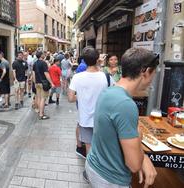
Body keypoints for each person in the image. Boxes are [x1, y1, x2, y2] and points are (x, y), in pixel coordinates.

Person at [86, 48, 158, 187]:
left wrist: (141, 154)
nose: (152, 81)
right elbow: (134, 165)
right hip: (111, 179)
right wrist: (143, 158)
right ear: (146, 72)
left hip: (96, 167)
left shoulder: (109, 91)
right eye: (154, 74)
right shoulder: (125, 104)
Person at [68, 46, 114, 180]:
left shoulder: (77, 77)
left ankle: (90, 174)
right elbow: (114, 93)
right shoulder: (106, 76)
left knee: (89, 149)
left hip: (85, 119)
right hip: (104, 120)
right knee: (102, 148)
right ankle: (103, 174)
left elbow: (71, 98)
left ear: (83, 60)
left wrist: (81, 96)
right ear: (97, 59)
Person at [33, 51, 54, 120]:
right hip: (43, 83)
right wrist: (51, 83)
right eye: (43, 54)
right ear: (41, 55)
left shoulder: (35, 63)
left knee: (38, 97)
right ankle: (41, 114)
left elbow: (33, 74)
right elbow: (46, 74)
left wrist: (35, 82)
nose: (44, 55)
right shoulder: (44, 63)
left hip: (37, 83)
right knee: (43, 98)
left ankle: (39, 111)